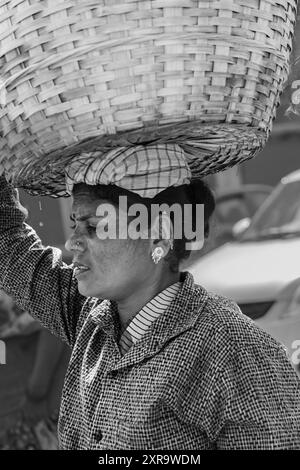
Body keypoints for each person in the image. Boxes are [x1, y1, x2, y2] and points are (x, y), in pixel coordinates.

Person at [0, 143, 300, 450]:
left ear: (158, 236)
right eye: (75, 224)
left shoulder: (234, 350)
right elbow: (7, 241)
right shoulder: (91, 319)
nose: (73, 241)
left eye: (93, 227)